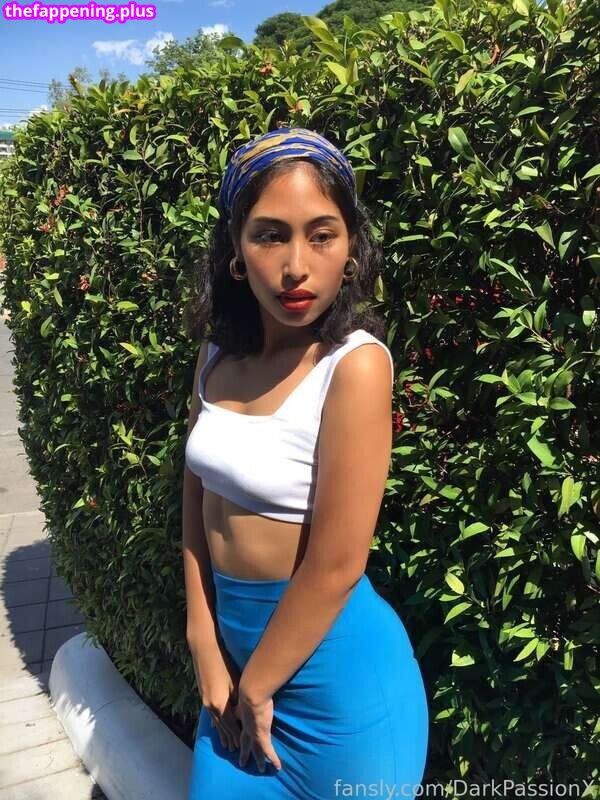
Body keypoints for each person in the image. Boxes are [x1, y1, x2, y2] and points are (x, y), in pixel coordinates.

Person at [182, 127, 429, 799]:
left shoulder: (355, 366)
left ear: (351, 251)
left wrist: (258, 686)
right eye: (269, 235)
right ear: (236, 252)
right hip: (236, 674)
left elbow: (338, 563)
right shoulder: (216, 357)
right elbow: (195, 500)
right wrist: (203, 639)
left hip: (337, 698)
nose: (296, 265)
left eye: (322, 235)